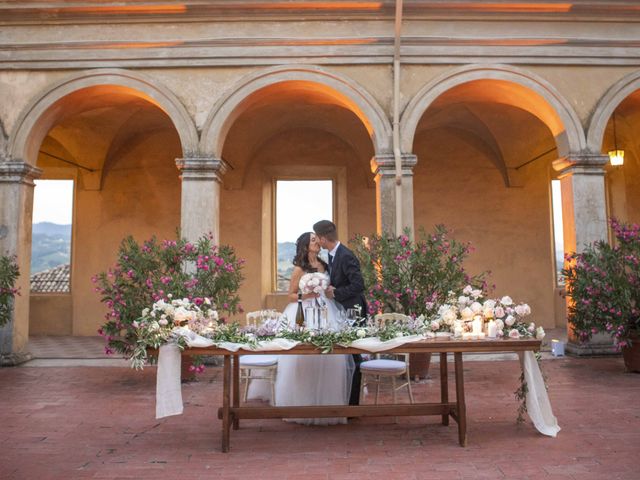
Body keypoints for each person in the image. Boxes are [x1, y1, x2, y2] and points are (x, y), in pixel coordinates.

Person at [274, 231, 355, 425]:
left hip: (327, 312)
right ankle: (303, 402)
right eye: (313, 240)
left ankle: (330, 404)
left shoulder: (325, 265)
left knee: (332, 358)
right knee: (303, 357)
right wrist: (306, 296)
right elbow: (291, 295)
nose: (317, 242)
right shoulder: (298, 269)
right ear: (305, 245)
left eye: (317, 239)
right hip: (303, 314)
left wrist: (328, 292)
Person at [313, 220, 367, 406]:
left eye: (317, 239)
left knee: (354, 355)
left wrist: (336, 293)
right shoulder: (331, 255)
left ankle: (353, 406)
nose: (317, 243)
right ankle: (346, 400)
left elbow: (359, 286)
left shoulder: (346, 255)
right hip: (343, 310)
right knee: (346, 355)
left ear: (322, 238)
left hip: (353, 311)